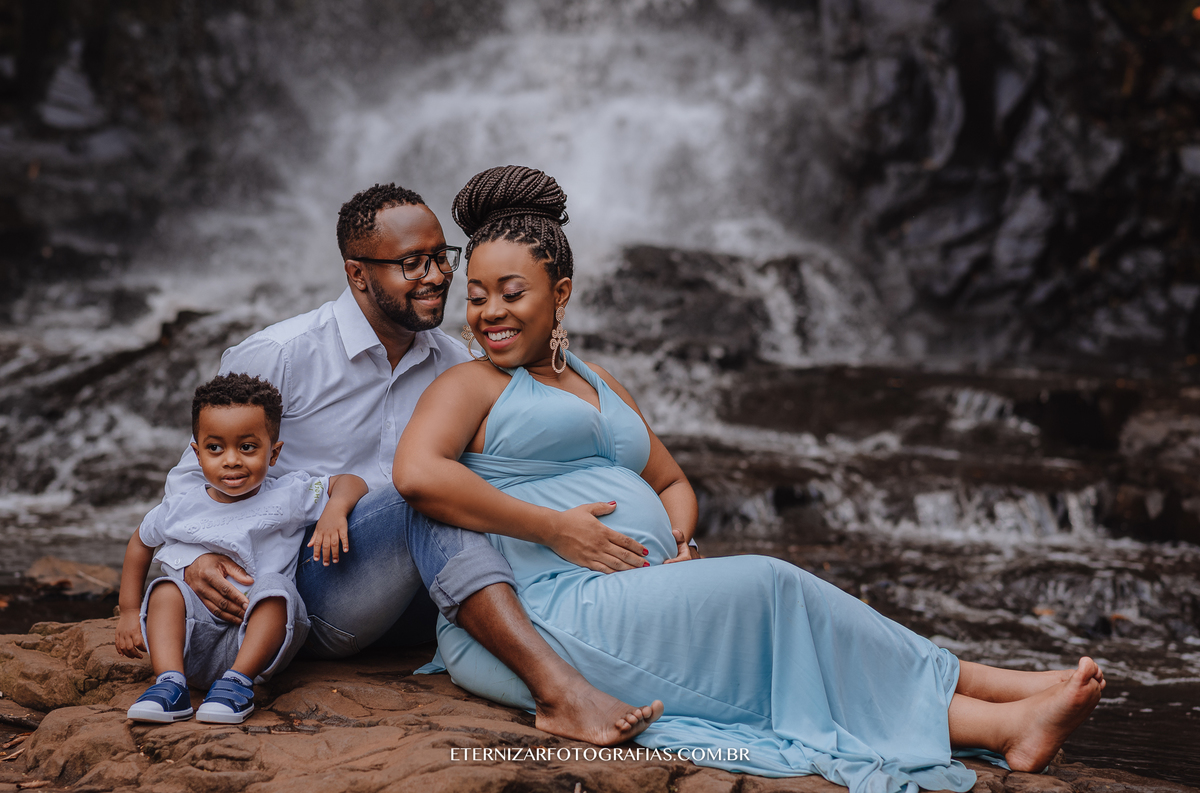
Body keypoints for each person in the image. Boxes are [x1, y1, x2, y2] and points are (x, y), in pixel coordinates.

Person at [393, 165, 1107, 792]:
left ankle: (996, 695)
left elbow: (672, 480)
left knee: (783, 606)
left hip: (633, 590)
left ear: (561, 292)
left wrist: (677, 540)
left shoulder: (598, 381)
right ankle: (995, 714)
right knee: (771, 585)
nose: (489, 312)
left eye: (511, 293)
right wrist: (554, 527)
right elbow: (416, 475)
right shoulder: (470, 386)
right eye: (478, 294)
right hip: (551, 609)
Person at [161, 183, 661, 743]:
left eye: (441, 257)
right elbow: (190, 476)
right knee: (420, 492)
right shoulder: (281, 353)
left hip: (428, 604)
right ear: (357, 275)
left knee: (485, 488)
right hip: (306, 596)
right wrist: (191, 559)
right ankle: (557, 694)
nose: (437, 275)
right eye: (411, 263)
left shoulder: (457, 360)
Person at [117, 373, 369, 724]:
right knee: (167, 589)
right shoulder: (181, 506)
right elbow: (140, 541)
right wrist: (129, 612)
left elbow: (350, 482)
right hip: (194, 638)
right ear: (197, 452)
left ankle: (237, 685)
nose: (231, 460)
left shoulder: (289, 495)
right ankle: (170, 684)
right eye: (215, 448)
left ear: (274, 453)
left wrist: (334, 511)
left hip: (260, 644)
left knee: (276, 589)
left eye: (247, 447)